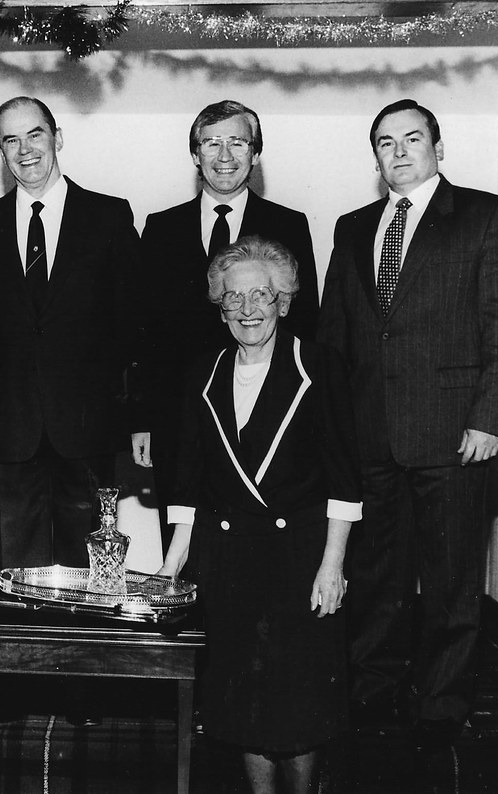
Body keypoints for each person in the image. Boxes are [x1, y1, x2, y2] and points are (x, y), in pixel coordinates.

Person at [318, 99, 498, 749]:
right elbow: (334, 339)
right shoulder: (352, 226)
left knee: (452, 583)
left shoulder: (485, 216)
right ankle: (371, 692)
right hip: (372, 436)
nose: (398, 152)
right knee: (375, 579)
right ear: (374, 156)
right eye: (385, 142)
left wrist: (489, 418)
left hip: (457, 436)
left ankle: (442, 705)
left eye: (411, 139)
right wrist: (334, 433)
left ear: (438, 146)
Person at [160, 236, 362, 793]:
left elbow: (346, 480)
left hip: (299, 559)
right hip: (228, 560)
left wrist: (333, 566)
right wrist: (171, 568)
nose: (248, 309)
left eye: (262, 295)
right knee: (241, 701)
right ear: (219, 306)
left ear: (284, 300)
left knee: (296, 704)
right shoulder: (203, 372)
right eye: (234, 298)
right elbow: (189, 484)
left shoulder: (317, 365)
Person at [0, 96, 142, 570]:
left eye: (34, 134)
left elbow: (134, 326)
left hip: (89, 427)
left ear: (57, 138)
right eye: (10, 140)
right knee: (19, 568)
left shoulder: (110, 216)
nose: (24, 149)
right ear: (0, 151)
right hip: (14, 427)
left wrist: (136, 414)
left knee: (91, 570)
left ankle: (89, 646)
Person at [135, 100, 319, 552]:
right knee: (180, 542)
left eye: (237, 142)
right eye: (211, 143)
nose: (224, 156)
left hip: (266, 417)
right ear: (194, 154)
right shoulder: (160, 229)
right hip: (179, 417)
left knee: (257, 547)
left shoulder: (288, 225)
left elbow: (307, 324)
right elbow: (144, 333)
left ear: (255, 154)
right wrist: (142, 420)